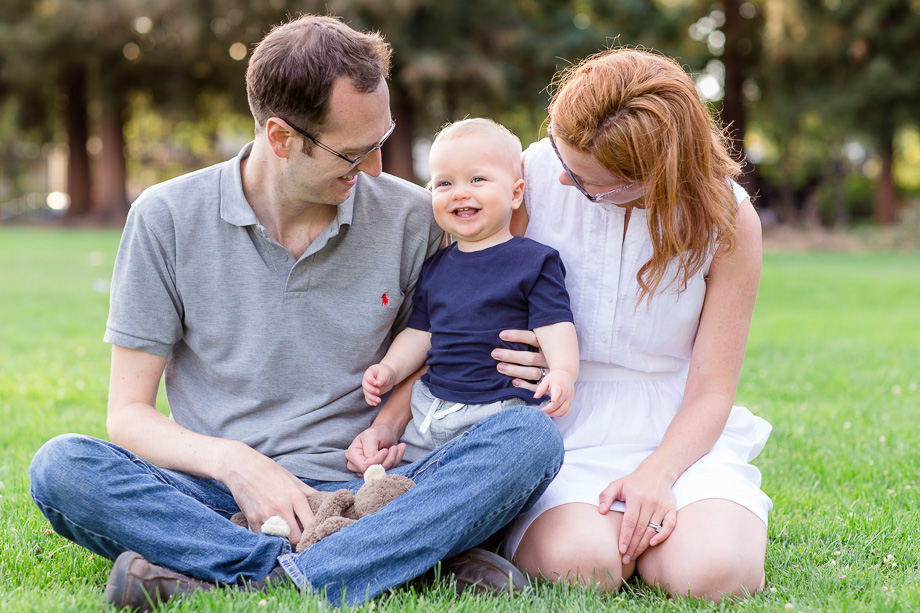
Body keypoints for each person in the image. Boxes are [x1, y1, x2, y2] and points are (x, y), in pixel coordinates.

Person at [28, 15, 563, 609]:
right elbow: (128, 416)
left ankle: (266, 575)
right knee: (62, 467)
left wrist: (519, 353)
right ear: (281, 137)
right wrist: (236, 463)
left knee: (528, 438)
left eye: (381, 142)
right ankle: (387, 561)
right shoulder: (166, 217)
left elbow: (428, 348)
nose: (378, 170)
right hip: (217, 493)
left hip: (373, 488)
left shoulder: (415, 217)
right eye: (354, 154)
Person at [494, 48, 773, 602]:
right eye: (562, 159)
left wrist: (658, 473)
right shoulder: (531, 177)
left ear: (653, 180)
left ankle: (676, 528)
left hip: (678, 426)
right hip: (558, 426)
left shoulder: (728, 216)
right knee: (584, 565)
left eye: (589, 182)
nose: (565, 181)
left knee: (716, 574)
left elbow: (713, 388)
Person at [361, 118, 579, 454]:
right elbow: (420, 334)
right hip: (430, 409)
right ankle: (408, 492)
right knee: (408, 465)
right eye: (444, 183)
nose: (461, 192)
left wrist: (563, 372)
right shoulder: (435, 265)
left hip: (499, 409)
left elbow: (554, 325)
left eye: (477, 179)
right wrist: (389, 368)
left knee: (520, 449)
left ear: (516, 193)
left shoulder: (534, 261)